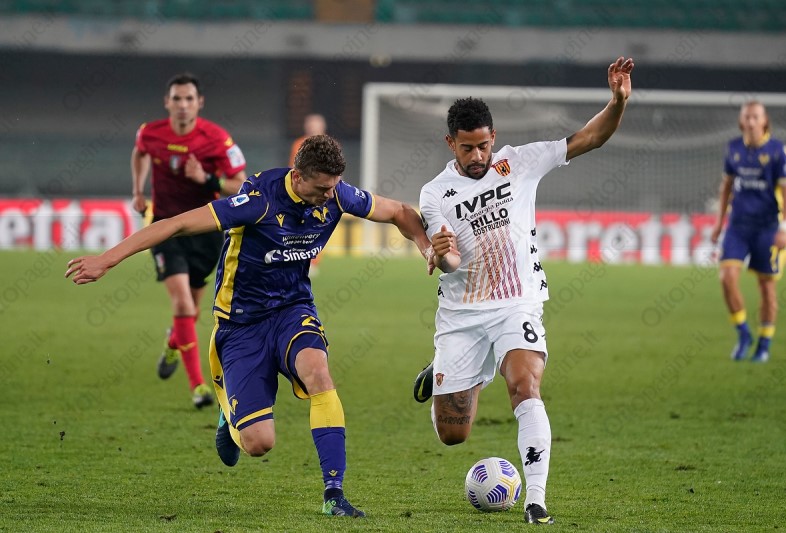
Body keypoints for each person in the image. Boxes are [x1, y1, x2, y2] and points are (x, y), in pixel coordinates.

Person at [67, 134, 434, 518]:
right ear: (298, 176)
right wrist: (107, 259)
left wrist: (426, 246)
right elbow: (176, 225)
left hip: (292, 310)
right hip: (241, 324)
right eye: (322, 189)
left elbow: (398, 211)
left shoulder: (337, 194)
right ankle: (229, 415)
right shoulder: (258, 201)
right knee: (259, 443)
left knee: (319, 372)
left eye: (334, 187)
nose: (330, 196)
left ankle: (334, 494)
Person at [413, 57, 635, 525]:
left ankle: (536, 500)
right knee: (452, 434)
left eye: (484, 146)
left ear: (494, 138)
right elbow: (449, 262)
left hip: (517, 303)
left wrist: (616, 102)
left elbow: (589, 137)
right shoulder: (435, 194)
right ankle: (458, 369)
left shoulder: (520, 161)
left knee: (524, 386)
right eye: (468, 148)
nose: (478, 157)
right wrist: (441, 254)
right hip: (462, 315)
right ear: (451, 143)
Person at [132, 72, 247, 408]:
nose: (183, 105)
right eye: (177, 99)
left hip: (205, 231)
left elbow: (240, 186)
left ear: (200, 103)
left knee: (191, 311)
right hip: (165, 228)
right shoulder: (150, 133)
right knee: (182, 304)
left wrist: (207, 178)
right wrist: (138, 191)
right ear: (167, 102)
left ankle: (174, 342)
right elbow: (139, 153)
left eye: (189, 99)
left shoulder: (217, 139)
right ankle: (198, 386)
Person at [710, 101, 786, 363]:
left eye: (755, 117)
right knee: (726, 277)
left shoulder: (778, 151)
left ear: (764, 120)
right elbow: (726, 187)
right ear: (741, 121)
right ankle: (744, 333)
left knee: (766, 288)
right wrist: (719, 222)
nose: (750, 121)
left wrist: (785, 228)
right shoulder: (733, 148)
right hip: (738, 226)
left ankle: (764, 344)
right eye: (746, 117)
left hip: (767, 228)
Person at [289, 114, 328, 276]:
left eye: (315, 126)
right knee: (297, 228)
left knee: (318, 227)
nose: (312, 129)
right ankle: (297, 260)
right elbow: (292, 169)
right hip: (302, 194)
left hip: (323, 194)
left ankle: (313, 261)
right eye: (310, 125)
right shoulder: (298, 144)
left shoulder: (330, 145)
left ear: (323, 128)